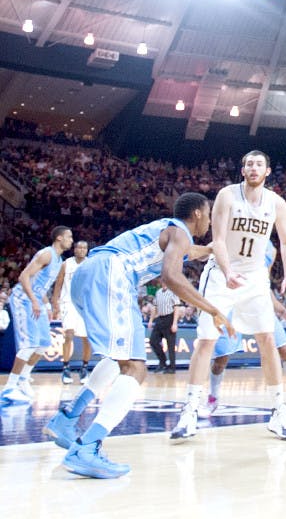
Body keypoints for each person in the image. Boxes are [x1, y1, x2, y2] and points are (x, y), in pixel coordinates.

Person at [43, 193, 234, 478]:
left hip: (89, 274)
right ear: (197, 213)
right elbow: (171, 276)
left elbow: (187, 252)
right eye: (207, 214)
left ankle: (67, 419)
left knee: (119, 358)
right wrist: (212, 309)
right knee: (136, 369)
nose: (208, 220)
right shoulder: (180, 232)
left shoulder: (170, 230)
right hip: (113, 275)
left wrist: (210, 251)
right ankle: (87, 447)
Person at [170, 150, 286, 442]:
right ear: (242, 170)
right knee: (207, 341)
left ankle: (279, 412)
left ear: (267, 171)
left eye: (259, 164)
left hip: (255, 277)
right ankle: (190, 410)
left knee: (266, 339)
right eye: (249, 164)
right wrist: (228, 271)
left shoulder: (277, 203)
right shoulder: (227, 196)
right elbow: (216, 240)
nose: (253, 168)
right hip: (221, 274)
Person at [200, 240, 286, 420]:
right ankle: (213, 398)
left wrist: (283, 311)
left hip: (256, 301)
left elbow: (264, 285)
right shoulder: (233, 229)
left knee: (284, 349)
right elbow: (206, 253)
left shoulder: (270, 250)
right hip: (229, 299)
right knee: (221, 359)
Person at [1, 226, 73, 404]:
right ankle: (10, 387)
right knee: (28, 345)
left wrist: (47, 305)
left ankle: (23, 379)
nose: (71, 240)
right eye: (69, 237)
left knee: (43, 344)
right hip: (22, 299)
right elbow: (24, 277)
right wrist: (34, 300)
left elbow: (39, 284)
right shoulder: (46, 254)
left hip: (36, 301)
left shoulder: (58, 259)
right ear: (59, 238)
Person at [51, 240, 92, 385]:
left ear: (87, 250)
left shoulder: (91, 264)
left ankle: (84, 368)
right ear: (74, 249)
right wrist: (55, 301)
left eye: (84, 247)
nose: (81, 250)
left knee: (87, 339)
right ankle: (66, 368)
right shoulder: (66, 263)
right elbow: (59, 282)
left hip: (85, 305)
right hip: (68, 303)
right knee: (68, 335)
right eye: (79, 247)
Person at [148, 279, 181, 373]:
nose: (163, 282)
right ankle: (162, 362)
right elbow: (155, 307)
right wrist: (151, 320)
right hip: (160, 318)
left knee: (170, 345)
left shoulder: (173, 292)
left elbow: (176, 307)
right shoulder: (158, 292)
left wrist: (175, 323)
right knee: (153, 341)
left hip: (169, 318)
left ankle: (172, 367)